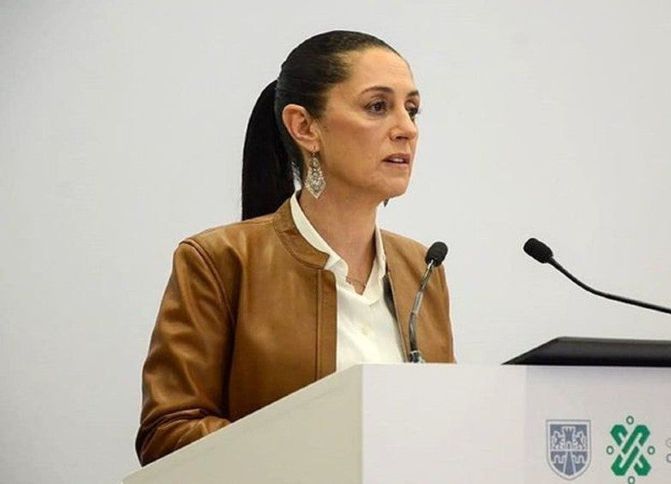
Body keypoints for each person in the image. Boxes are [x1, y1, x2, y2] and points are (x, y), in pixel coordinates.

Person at [135, 30, 456, 466]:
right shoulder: (218, 261)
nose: (407, 129)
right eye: (378, 106)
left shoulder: (423, 267)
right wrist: (321, 451)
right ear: (305, 127)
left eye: (412, 109)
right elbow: (168, 435)